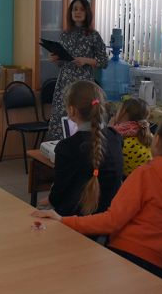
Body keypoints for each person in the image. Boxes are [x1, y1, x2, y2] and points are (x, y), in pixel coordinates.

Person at [33, 113, 162, 281]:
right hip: (158, 270)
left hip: (125, 260)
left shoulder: (146, 175)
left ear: (158, 140)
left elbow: (111, 221)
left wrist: (64, 220)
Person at [41, 80, 123, 216]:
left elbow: (58, 194)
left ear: (72, 110)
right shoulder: (115, 138)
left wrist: (50, 200)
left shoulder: (66, 147)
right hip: (109, 218)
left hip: (72, 221)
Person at [47, 0, 108, 140]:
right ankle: (59, 152)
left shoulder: (93, 35)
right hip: (64, 83)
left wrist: (86, 60)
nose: (78, 12)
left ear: (87, 12)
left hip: (84, 85)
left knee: (82, 117)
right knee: (61, 118)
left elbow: (104, 62)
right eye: (75, 9)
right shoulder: (65, 35)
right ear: (70, 13)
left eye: (81, 9)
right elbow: (62, 63)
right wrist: (55, 59)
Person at [108, 97, 153, 177]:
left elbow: (108, 159)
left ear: (124, 113)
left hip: (129, 183)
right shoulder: (148, 135)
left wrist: (109, 130)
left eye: (119, 110)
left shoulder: (120, 142)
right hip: (147, 181)